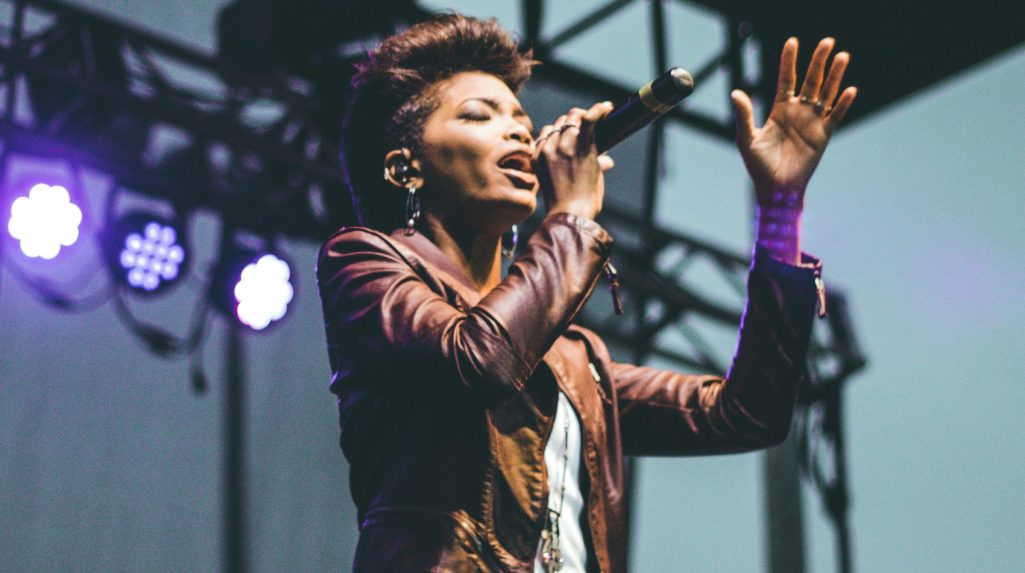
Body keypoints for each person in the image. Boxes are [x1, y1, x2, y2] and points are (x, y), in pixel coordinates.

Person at [316, 12, 855, 573]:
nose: (519, 131)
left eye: (522, 120)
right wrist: (571, 214)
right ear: (406, 168)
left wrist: (780, 210)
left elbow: (746, 414)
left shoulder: (577, 361)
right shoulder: (362, 261)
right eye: (479, 115)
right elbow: (480, 361)